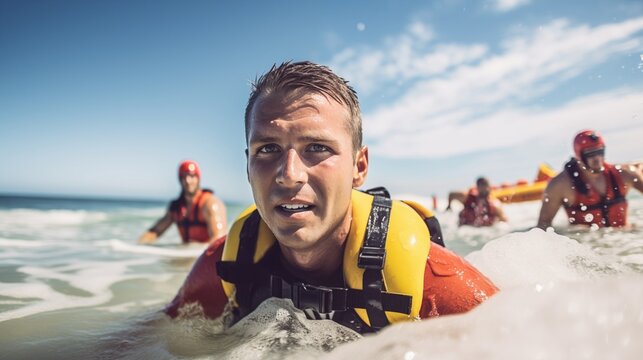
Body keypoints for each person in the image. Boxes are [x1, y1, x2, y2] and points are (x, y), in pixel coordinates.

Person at [165, 61, 498, 333]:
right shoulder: (228, 265)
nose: (289, 173)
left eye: (317, 148)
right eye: (267, 149)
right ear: (248, 166)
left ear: (359, 165)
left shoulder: (432, 281)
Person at [537, 130, 643, 229]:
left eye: (600, 151)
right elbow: (543, 226)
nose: (597, 159)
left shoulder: (627, 174)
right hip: (586, 244)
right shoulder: (560, 185)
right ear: (578, 156)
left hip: (626, 238)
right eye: (590, 154)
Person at [138, 160, 227, 244]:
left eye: (192, 176)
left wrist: (195, 251)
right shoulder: (176, 208)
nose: (188, 181)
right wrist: (138, 245)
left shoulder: (210, 204)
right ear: (180, 180)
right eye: (184, 177)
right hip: (184, 257)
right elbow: (155, 231)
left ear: (198, 178)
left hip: (206, 257)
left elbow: (218, 240)